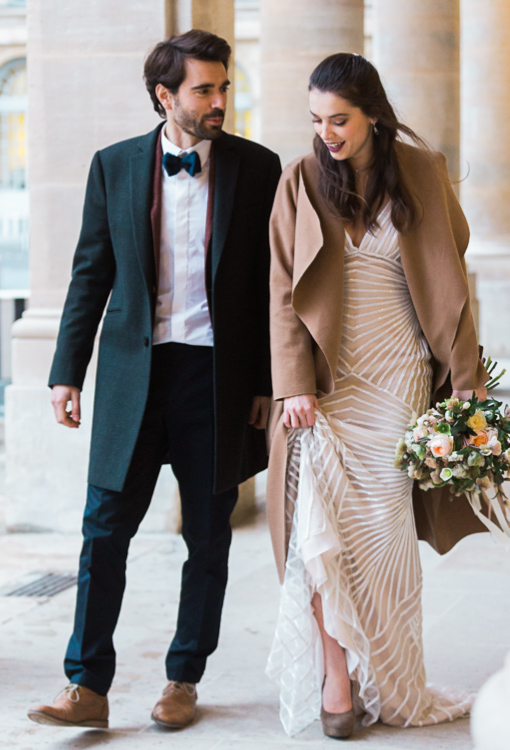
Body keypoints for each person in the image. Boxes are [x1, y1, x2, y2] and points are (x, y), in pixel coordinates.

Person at [27, 30, 281, 730]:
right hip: (133, 378)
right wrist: (65, 372)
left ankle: (182, 677)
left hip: (217, 380)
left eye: (224, 87)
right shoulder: (113, 166)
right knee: (103, 531)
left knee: (209, 536)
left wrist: (268, 381)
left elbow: (270, 287)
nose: (219, 101)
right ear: (165, 96)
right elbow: (91, 273)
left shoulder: (258, 168)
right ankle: (87, 686)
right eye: (205, 89)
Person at [263, 53, 489, 739]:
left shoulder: (424, 172)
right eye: (316, 120)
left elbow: (454, 280)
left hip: (399, 382)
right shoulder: (300, 181)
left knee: (386, 545)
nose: (326, 133)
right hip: (328, 389)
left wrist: (468, 382)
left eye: (339, 120)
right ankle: (337, 683)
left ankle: (390, 677)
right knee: (314, 538)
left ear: (373, 116)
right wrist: (292, 385)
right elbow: (280, 292)